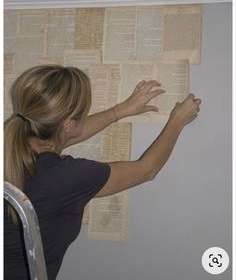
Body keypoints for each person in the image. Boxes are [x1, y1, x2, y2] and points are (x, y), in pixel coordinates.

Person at [4, 65, 201, 280]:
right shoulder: (65, 177)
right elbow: (147, 170)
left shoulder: (11, 141)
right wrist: (178, 120)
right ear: (68, 124)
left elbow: (61, 137)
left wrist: (120, 110)